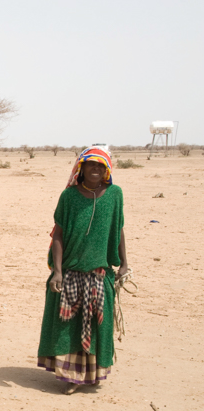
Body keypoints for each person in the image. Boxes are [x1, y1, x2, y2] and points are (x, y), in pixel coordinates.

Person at [37, 145, 128, 394]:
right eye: (91, 164)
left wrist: (124, 264)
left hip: (100, 273)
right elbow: (58, 235)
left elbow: (118, 229)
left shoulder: (115, 194)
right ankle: (71, 377)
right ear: (81, 167)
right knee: (68, 326)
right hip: (71, 272)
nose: (95, 169)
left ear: (107, 169)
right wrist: (57, 272)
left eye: (101, 165)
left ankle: (93, 374)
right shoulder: (69, 197)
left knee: (99, 325)